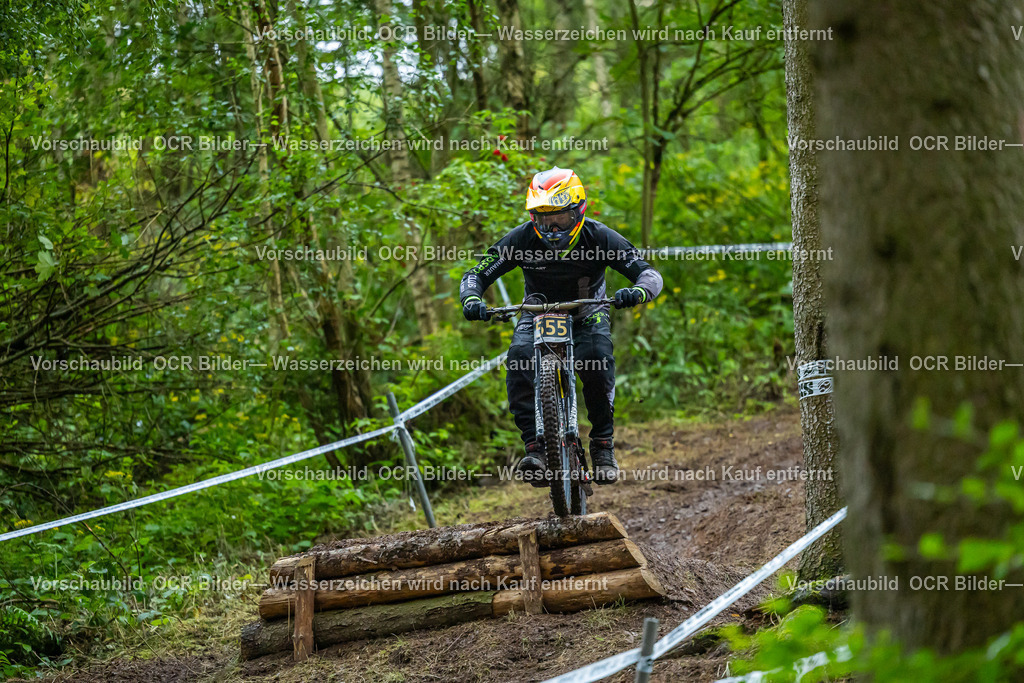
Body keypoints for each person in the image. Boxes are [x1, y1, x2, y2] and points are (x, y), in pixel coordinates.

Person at [458, 167, 663, 485]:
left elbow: (648, 273)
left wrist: (637, 292)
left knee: (596, 357)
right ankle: (535, 448)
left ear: (577, 211)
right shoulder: (522, 238)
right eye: (542, 218)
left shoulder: (599, 236)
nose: (551, 227)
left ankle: (603, 444)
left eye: (559, 218)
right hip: (536, 312)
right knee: (520, 360)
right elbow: (477, 272)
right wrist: (471, 299)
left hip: (587, 313)